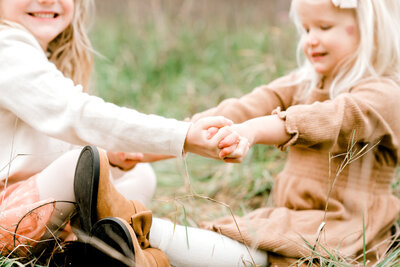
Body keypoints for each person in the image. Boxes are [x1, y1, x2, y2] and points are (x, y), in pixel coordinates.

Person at [0, 0, 249, 265]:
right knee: (78, 168)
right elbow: (77, 114)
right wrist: (183, 135)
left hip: (30, 203)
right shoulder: (7, 49)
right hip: (6, 215)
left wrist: (118, 155)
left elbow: (62, 142)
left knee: (138, 174)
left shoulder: (37, 56)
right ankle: (112, 247)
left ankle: (95, 246)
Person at [186, 0, 400, 265]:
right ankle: (140, 239)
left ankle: (144, 236)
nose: (310, 40)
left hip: (343, 227)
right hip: (290, 216)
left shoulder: (385, 94)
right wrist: (171, 139)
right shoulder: (302, 83)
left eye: (324, 27)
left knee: (249, 248)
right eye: (306, 29)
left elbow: (333, 118)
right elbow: (243, 108)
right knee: (238, 238)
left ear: (371, 29)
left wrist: (254, 130)